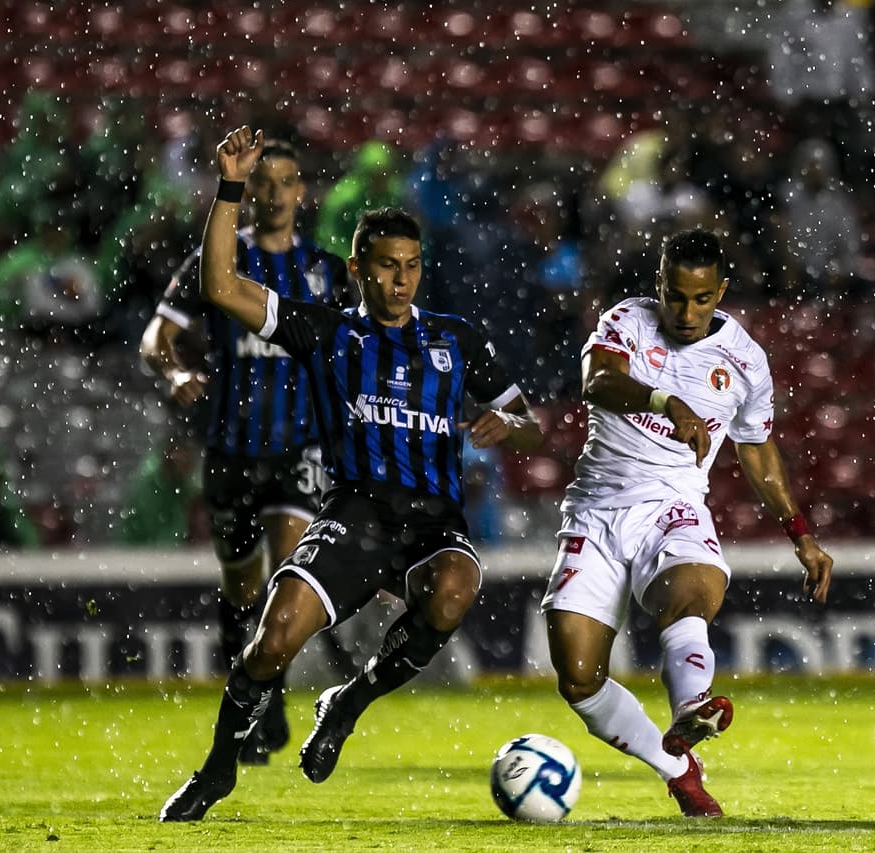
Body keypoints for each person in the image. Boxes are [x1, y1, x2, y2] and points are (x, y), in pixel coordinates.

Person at [160, 126, 542, 822]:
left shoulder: (457, 338)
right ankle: (217, 768)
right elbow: (219, 285)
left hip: (431, 523)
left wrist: (509, 424)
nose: (401, 280)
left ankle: (349, 700)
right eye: (388, 266)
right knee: (271, 641)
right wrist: (229, 189)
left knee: (457, 586)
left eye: (412, 266)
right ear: (359, 267)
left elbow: (530, 416)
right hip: (356, 515)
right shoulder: (328, 330)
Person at [541, 231, 834, 817]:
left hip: (673, 505)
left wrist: (800, 532)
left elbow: (756, 449)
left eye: (701, 299)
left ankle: (691, 709)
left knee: (695, 591)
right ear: (659, 285)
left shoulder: (745, 360)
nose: (686, 312)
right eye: (676, 296)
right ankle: (679, 767)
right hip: (595, 511)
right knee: (577, 680)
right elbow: (596, 382)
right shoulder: (626, 320)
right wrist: (666, 401)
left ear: (720, 291)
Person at [141, 136, 351, 765]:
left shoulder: (326, 272)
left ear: (301, 191)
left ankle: (269, 700)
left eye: (285, 182)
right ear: (250, 191)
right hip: (231, 447)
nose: (274, 193)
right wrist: (174, 373)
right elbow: (157, 338)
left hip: (298, 447)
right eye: (263, 182)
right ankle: (258, 685)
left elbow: (359, 346)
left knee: (288, 566)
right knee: (241, 588)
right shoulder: (216, 262)